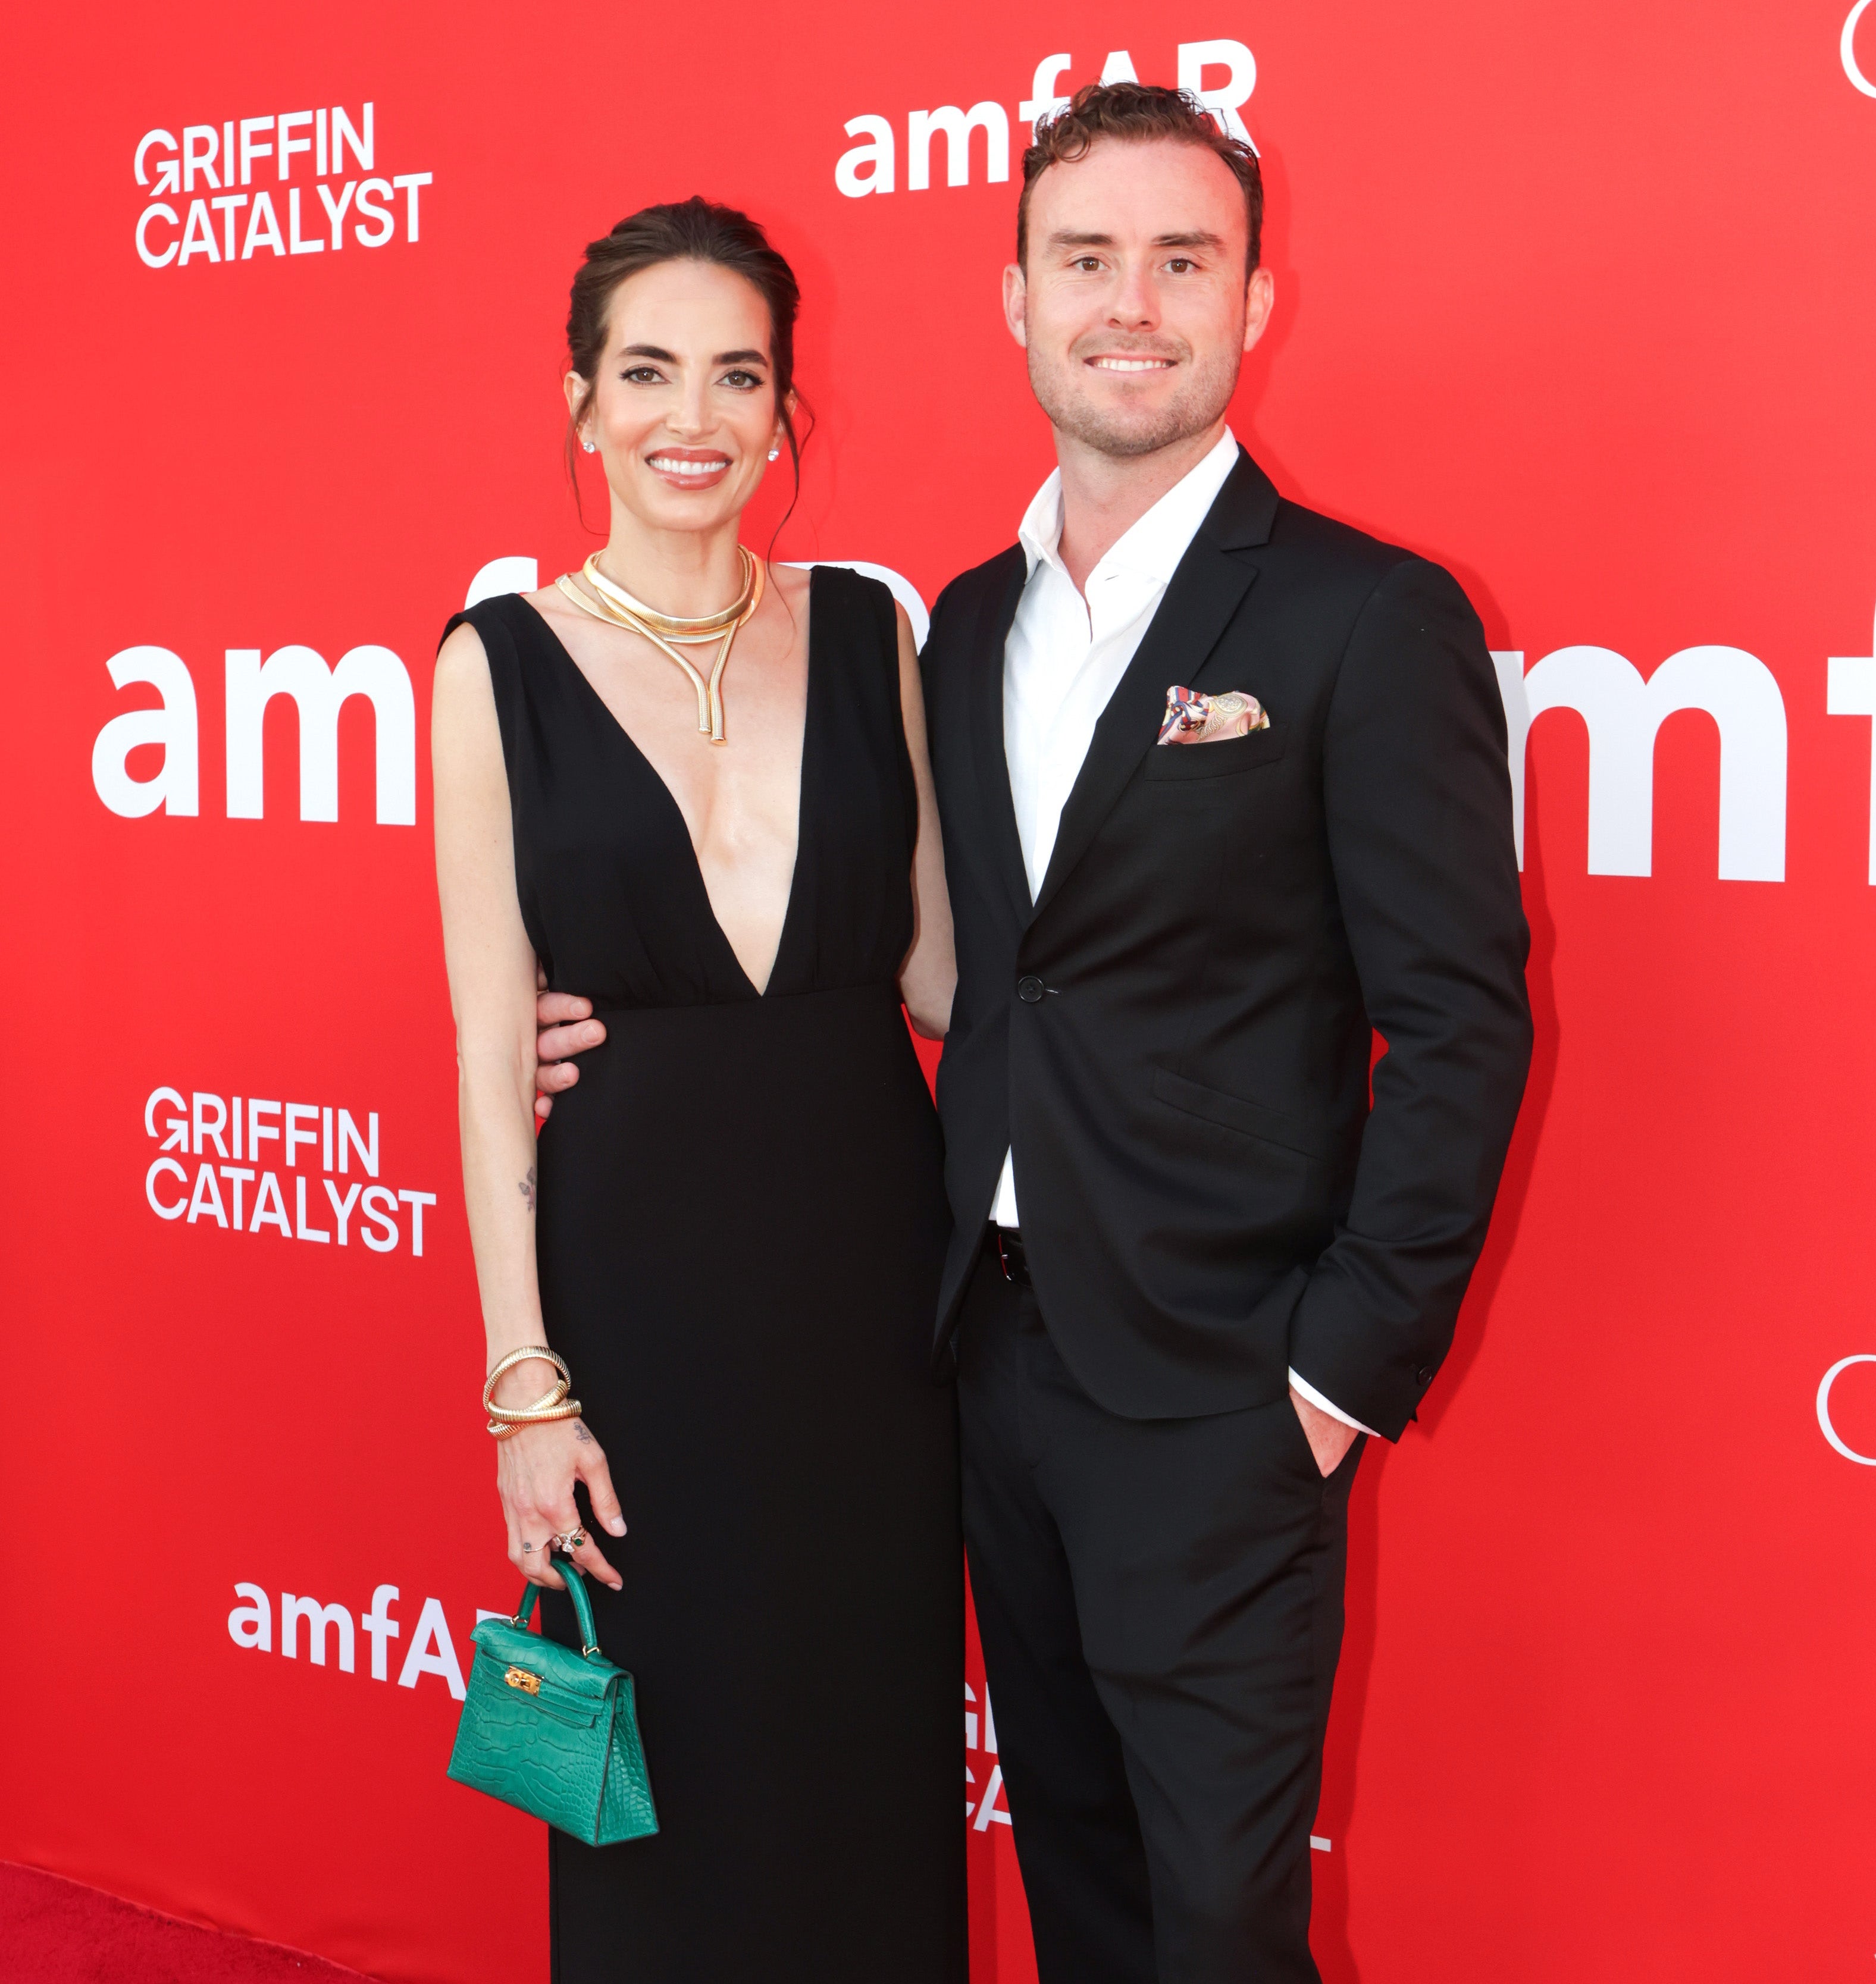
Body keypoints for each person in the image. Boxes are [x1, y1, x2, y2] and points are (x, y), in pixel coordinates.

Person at [540, 85, 1533, 1984]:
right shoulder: (961, 627)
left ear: (1258, 299)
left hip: (1231, 1392)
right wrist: (595, 1037)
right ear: (1015, 300)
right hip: (981, 1370)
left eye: (1186, 259)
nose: (1133, 303)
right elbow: (902, 967)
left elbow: (1462, 1026)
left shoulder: (1365, 618)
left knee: (1220, 1923)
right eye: (1087, 259)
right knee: (1073, 1873)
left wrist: (1337, 1376)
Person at [431, 198, 965, 1982]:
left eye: (740, 374)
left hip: (873, 1313)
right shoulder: (489, 668)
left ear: (787, 410)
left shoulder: (869, 631)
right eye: (648, 371)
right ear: (580, 405)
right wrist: (526, 1388)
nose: (695, 416)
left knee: (865, 1763)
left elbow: (941, 977)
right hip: (637, 1321)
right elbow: (491, 1060)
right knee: (666, 1806)